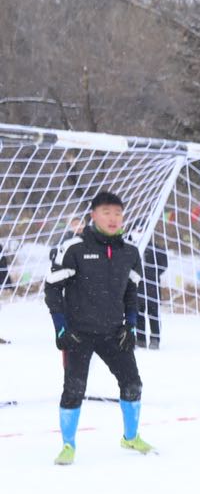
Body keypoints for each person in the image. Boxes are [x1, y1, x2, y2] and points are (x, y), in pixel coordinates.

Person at [44, 190, 152, 464]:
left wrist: (132, 326)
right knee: (75, 388)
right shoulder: (75, 248)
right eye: (106, 212)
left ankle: (130, 438)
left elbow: (131, 293)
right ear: (93, 216)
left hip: (114, 332)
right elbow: (52, 289)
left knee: (132, 384)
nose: (113, 218)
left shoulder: (130, 252)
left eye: (118, 213)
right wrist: (61, 328)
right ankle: (68, 446)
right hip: (79, 334)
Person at [133, 238, 168, 349]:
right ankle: (140, 339)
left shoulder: (156, 248)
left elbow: (163, 265)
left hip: (152, 285)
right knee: (138, 313)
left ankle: (155, 339)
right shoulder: (133, 247)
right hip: (137, 285)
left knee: (153, 313)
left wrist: (151, 274)